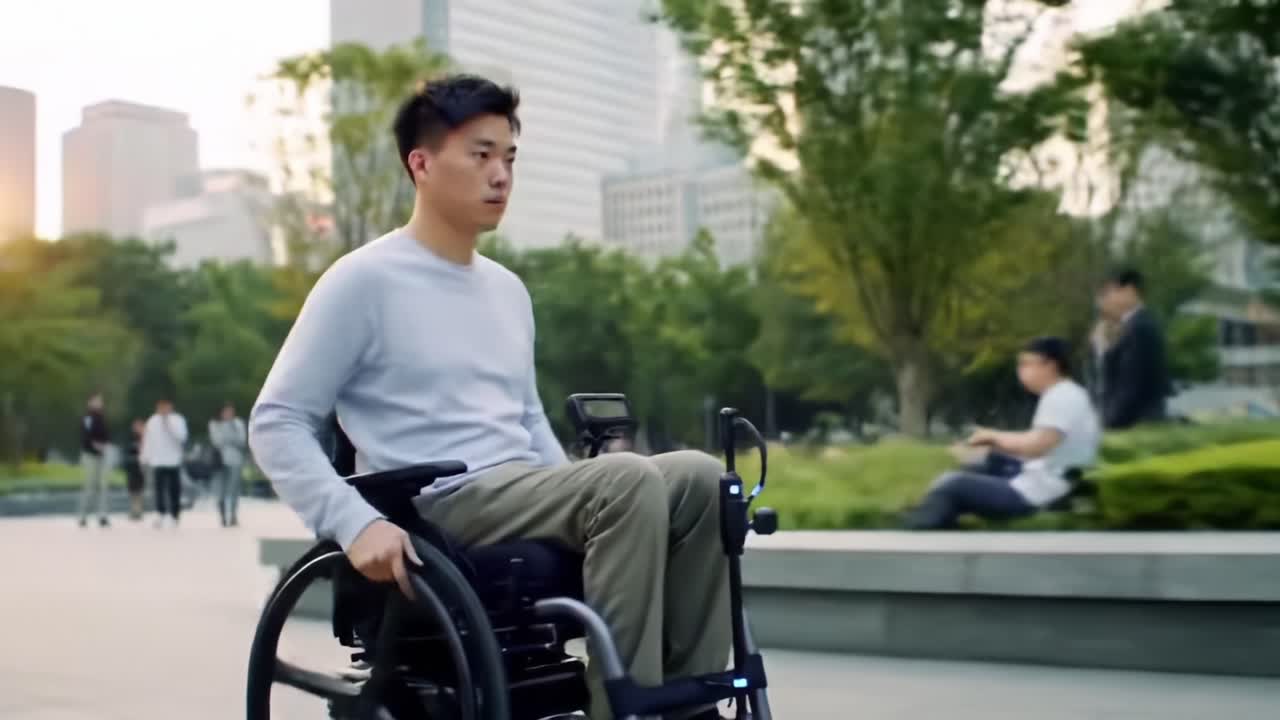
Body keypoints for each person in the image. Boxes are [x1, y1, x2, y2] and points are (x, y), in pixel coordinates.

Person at [250, 75, 732, 720]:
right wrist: (352, 520)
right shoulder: (363, 280)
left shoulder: (507, 290)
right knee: (625, 481)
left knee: (699, 477)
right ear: (420, 164)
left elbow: (526, 415)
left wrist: (586, 499)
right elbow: (277, 419)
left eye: (508, 157)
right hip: (435, 502)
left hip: (514, 489)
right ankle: (624, 708)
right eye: (480, 155)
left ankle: (689, 702)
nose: (500, 174)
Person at [904, 337, 1100, 529]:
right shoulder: (1066, 393)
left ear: (1050, 365)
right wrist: (991, 447)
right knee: (964, 474)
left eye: (1026, 364)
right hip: (1043, 477)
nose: (1020, 371)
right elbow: (1040, 446)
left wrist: (994, 437)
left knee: (952, 486)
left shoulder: (1062, 397)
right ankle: (931, 520)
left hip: (1039, 490)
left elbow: (1037, 446)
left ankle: (916, 536)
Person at [1095, 267, 1172, 429]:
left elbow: (1130, 384)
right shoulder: (1135, 325)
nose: (1106, 299)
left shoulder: (1137, 328)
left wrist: (1111, 422)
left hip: (1137, 423)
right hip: (1139, 419)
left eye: (1110, 292)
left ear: (1129, 290)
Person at [142, 397, 188, 527]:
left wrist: (168, 424)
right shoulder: (152, 421)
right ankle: (160, 513)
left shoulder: (177, 420)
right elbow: (148, 440)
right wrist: (145, 457)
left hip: (173, 460)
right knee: (159, 489)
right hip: (158, 460)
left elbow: (182, 437)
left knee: (174, 489)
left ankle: (175, 514)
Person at [209, 401, 248, 527]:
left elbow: (242, 440)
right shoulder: (214, 424)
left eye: (230, 411)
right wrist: (230, 436)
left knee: (234, 490)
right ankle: (222, 516)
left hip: (235, 460)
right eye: (226, 411)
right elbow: (217, 441)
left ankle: (233, 515)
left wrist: (229, 432)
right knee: (220, 489)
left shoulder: (238, 423)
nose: (228, 414)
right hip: (219, 461)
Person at [77, 392, 111, 528]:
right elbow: (85, 435)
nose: (99, 403)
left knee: (103, 485)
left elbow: (107, 435)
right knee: (89, 485)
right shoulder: (87, 418)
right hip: (90, 455)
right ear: (90, 403)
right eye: (96, 401)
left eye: (100, 401)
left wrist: (105, 446)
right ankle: (83, 516)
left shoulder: (102, 417)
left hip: (102, 456)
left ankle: (102, 515)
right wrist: (95, 445)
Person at [123, 418, 146, 521]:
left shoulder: (146, 438)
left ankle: (138, 511)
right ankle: (134, 511)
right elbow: (128, 450)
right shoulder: (130, 437)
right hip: (132, 467)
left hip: (141, 466)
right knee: (133, 490)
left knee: (140, 489)